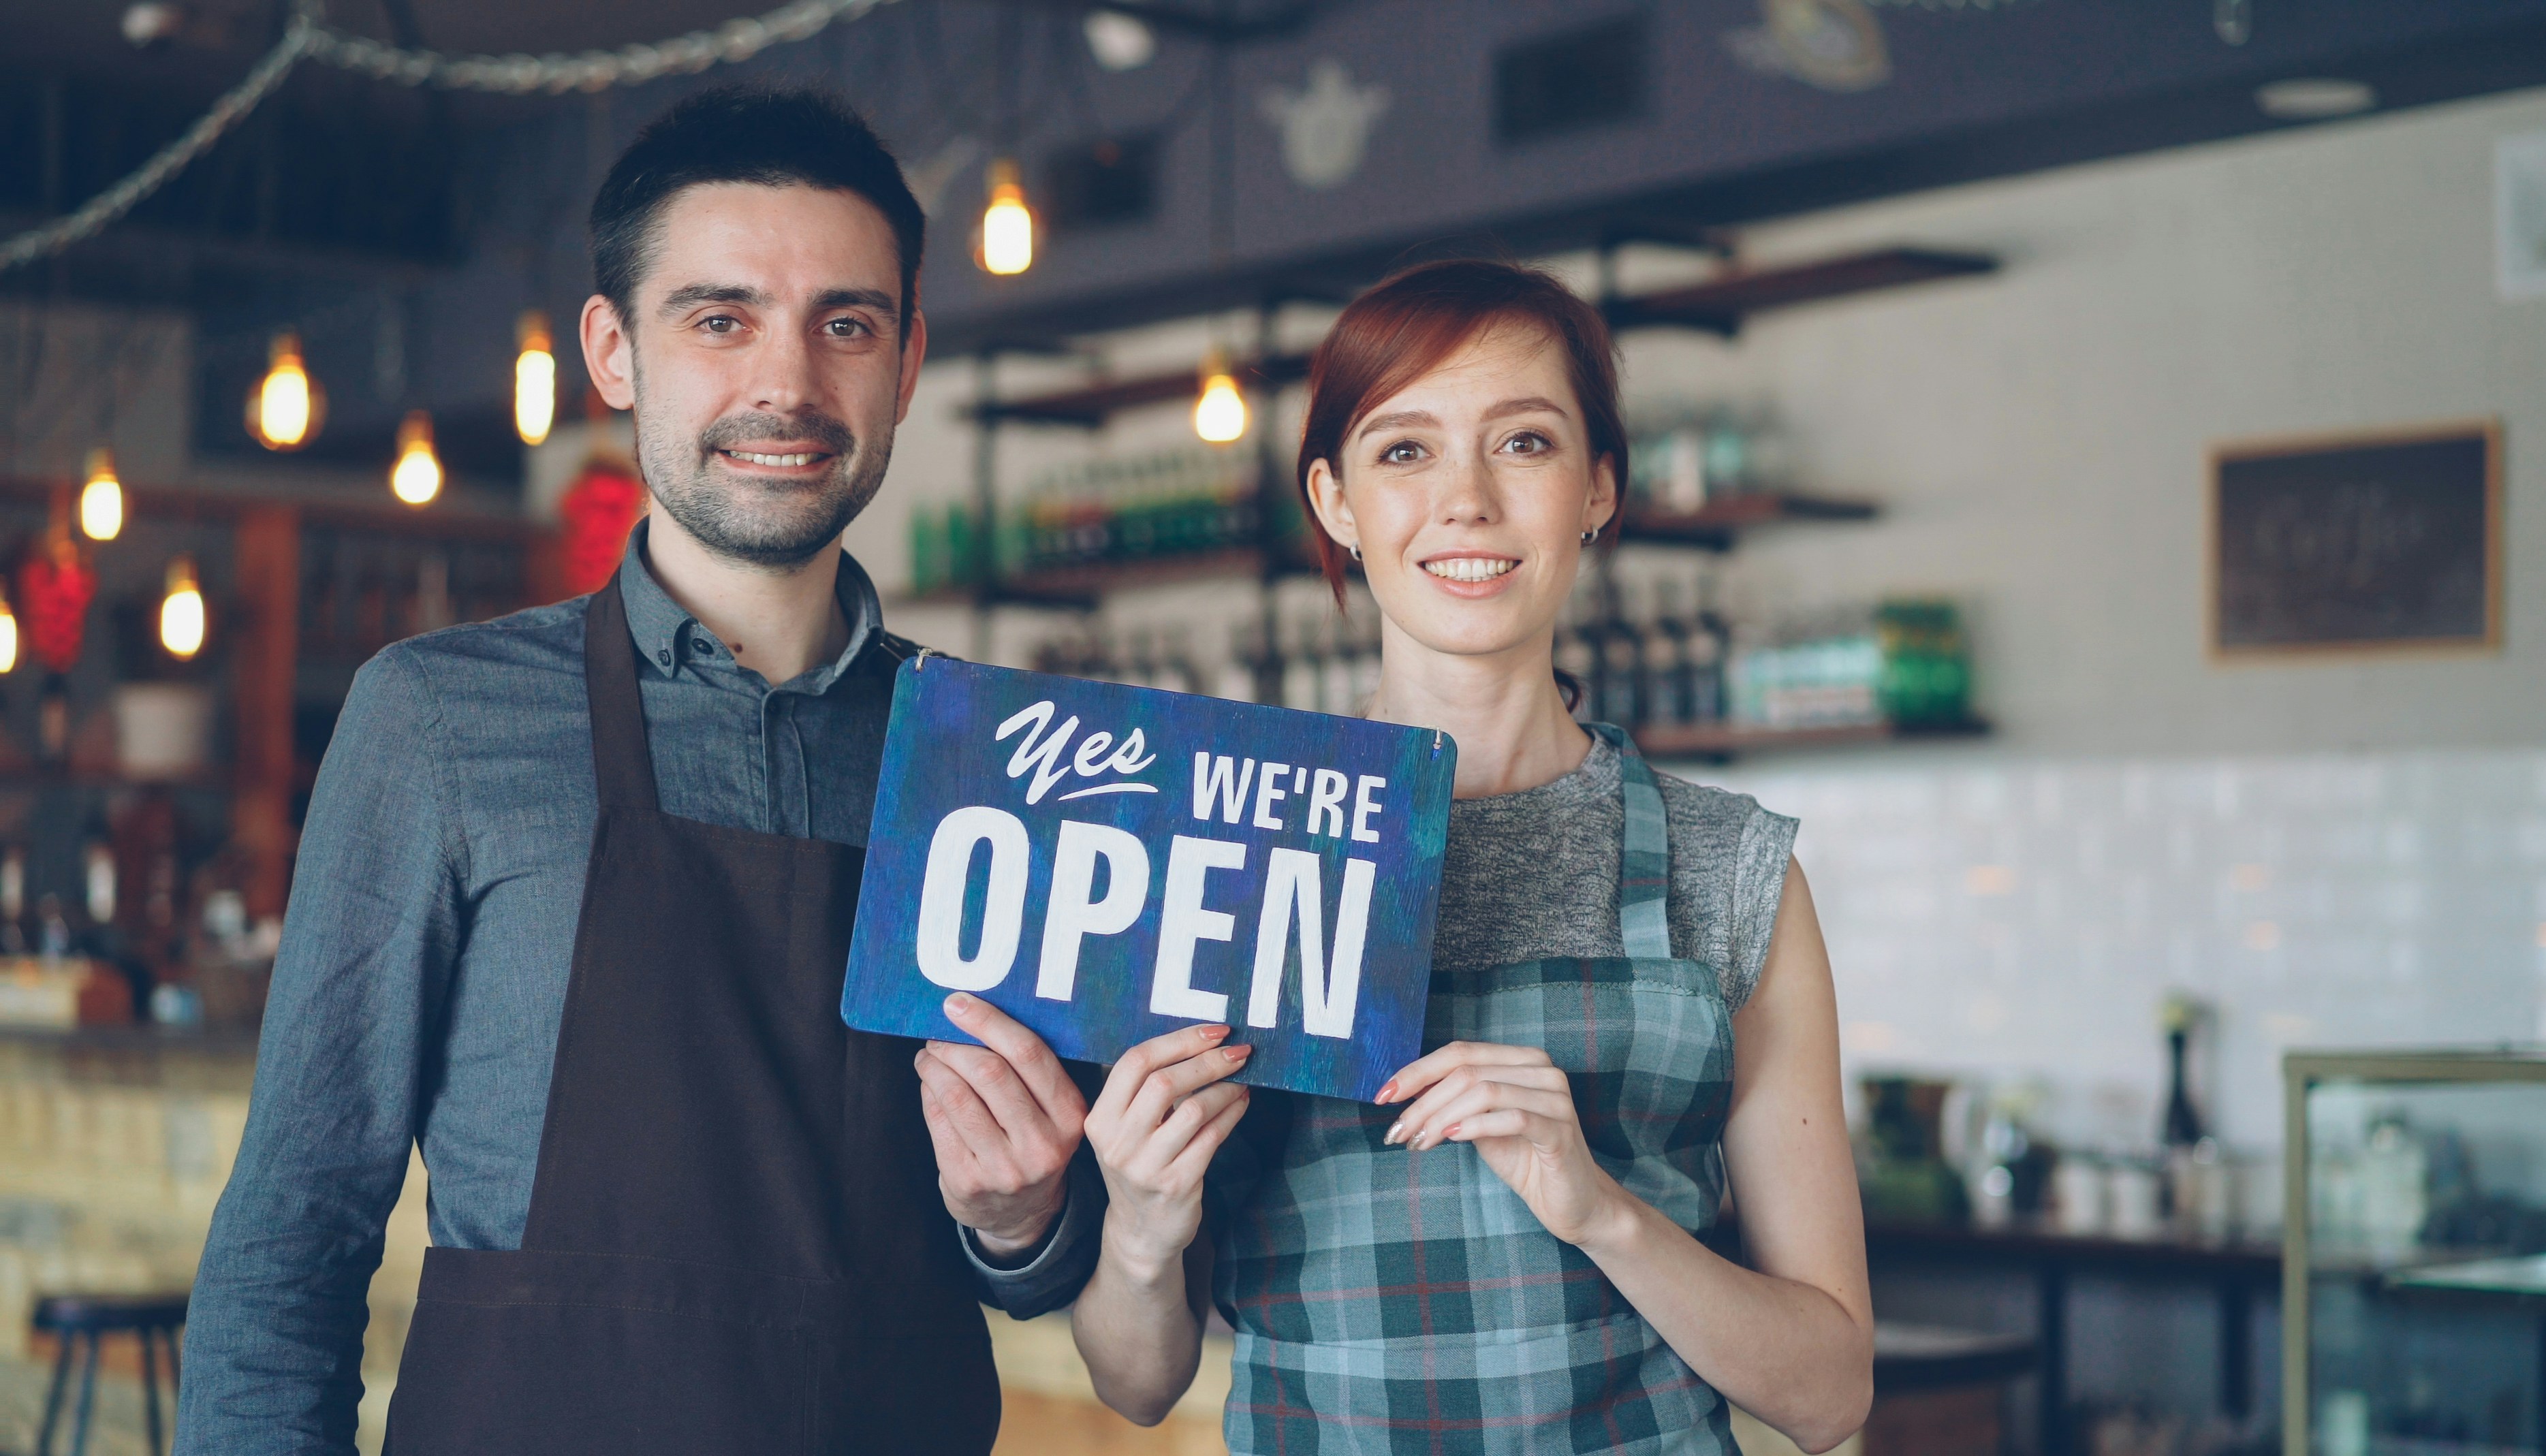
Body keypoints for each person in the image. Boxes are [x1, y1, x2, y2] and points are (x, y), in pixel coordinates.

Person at [176, 88, 1096, 1455]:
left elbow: (1030, 1259)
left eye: (844, 323)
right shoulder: (435, 721)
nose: (785, 384)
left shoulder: (1003, 757)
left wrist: (1028, 1223)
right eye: (719, 318)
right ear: (614, 352)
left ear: (906, 363)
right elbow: (293, 1232)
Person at [1065, 259, 1876, 1454]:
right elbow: (1136, 1382)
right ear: (1335, 501)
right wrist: (1139, 1220)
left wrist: (1601, 1208)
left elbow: (1830, 1391)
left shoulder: (1729, 868)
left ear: (1599, 488)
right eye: (1404, 451)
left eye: (1526, 444)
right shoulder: (1218, 848)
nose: (1468, 502)